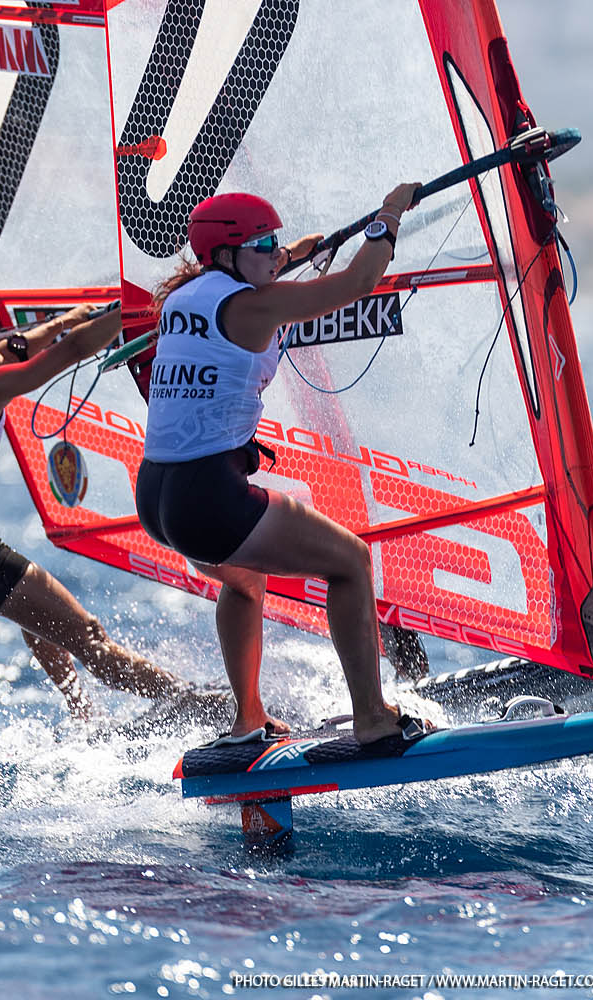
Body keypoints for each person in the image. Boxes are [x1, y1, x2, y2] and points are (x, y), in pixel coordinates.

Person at [134, 184, 432, 748]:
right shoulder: (253, 306)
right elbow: (357, 284)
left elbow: (258, 266)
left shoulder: (182, 296)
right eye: (264, 243)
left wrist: (289, 252)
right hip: (208, 496)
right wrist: (388, 213)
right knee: (350, 560)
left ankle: (248, 720)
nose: (274, 253)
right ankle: (373, 717)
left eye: (276, 243)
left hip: (156, 494)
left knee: (244, 582)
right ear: (227, 255)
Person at [0, 283, 202, 721]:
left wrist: (67, 319)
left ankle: (83, 715)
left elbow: (11, 348)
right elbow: (68, 354)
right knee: (91, 640)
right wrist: (146, 312)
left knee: (38, 617)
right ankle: (201, 705)